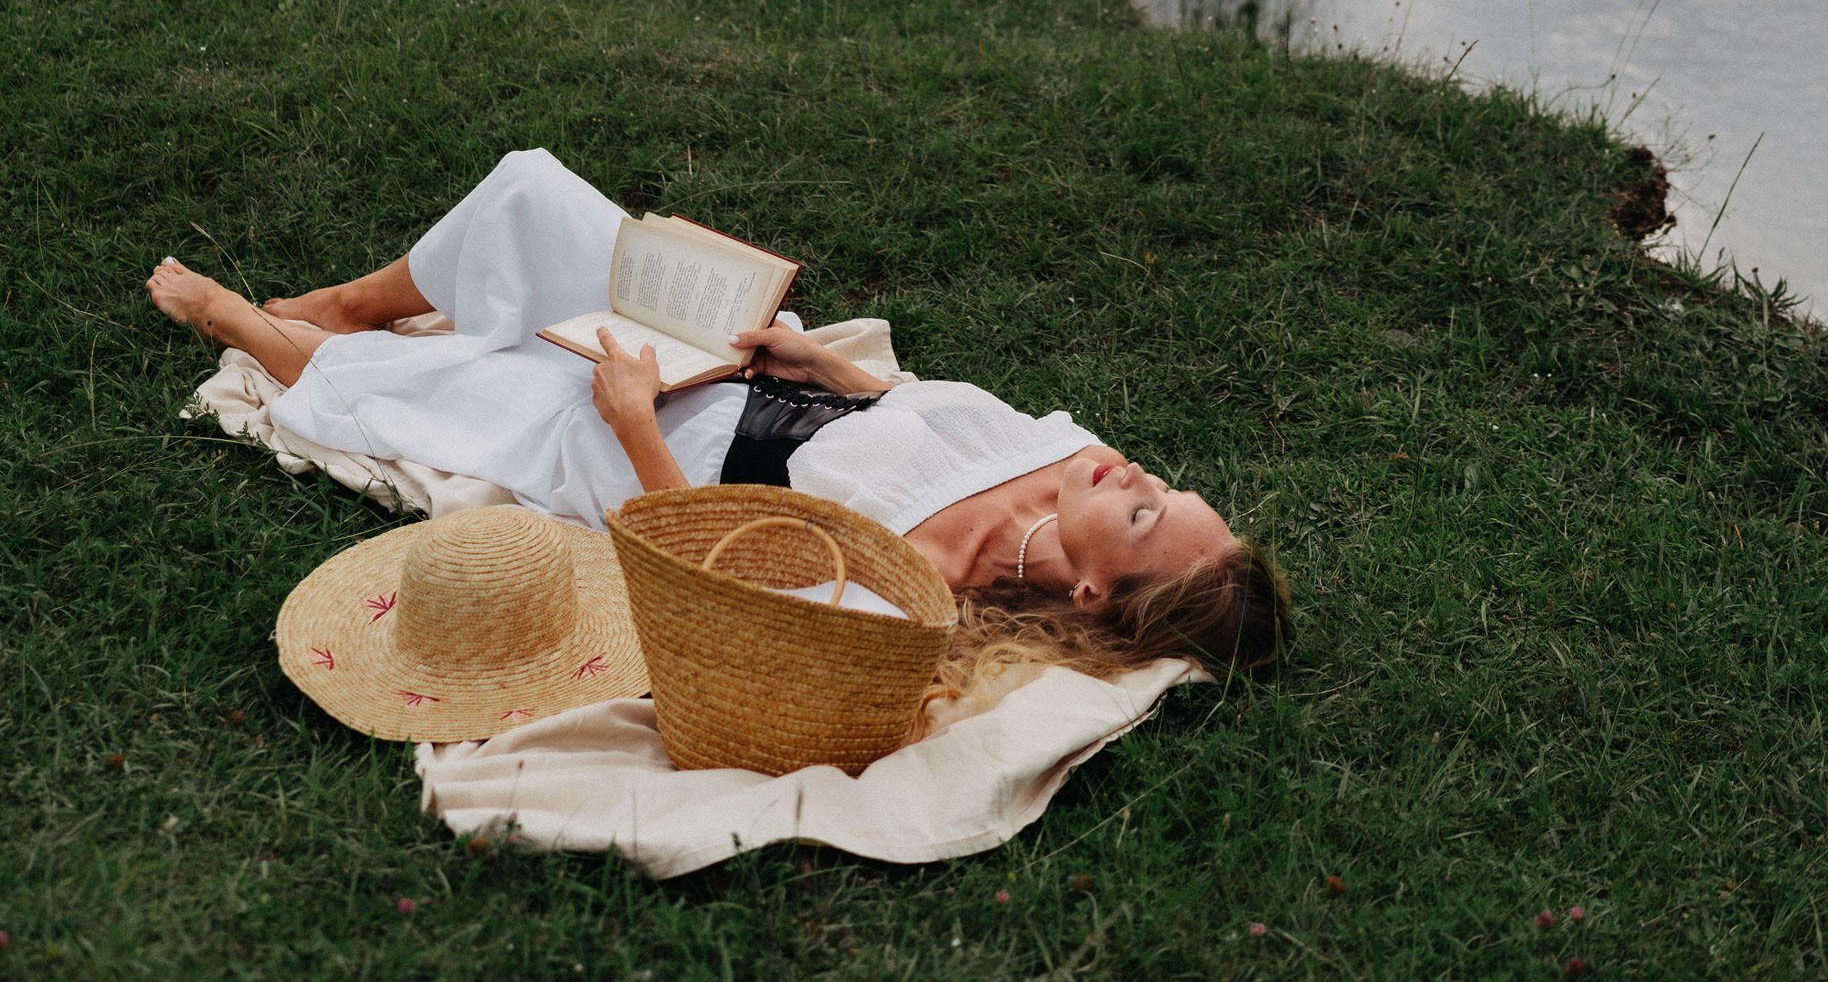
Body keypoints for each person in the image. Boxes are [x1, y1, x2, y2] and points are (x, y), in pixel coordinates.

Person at [148, 148, 1288, 682]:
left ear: (1089, 595)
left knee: (431, 396)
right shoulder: (1063, 464)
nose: (1132, 480)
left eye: (1142, 519)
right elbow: (904, 406)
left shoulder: (917, 589)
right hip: (742, 374)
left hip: (661, 446)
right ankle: (351, 301)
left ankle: (252, 326)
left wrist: (633, 417)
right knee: (535, 189)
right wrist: (814, 362)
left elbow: (705, 576)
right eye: (1164, 486)